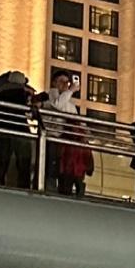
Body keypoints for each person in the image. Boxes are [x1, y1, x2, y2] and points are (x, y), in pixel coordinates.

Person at [38, 68, 93, 197]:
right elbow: (57, 104)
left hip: (65, 144)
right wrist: (71, 90)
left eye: (67, 82)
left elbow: (78, 122)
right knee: (51, 173)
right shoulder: (50, 97)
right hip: (52, 139)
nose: (65, 85)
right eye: (61, 81)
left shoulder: (69, 103)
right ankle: (49, 194)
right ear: (54, 83)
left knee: (63, 173)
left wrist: (86, 134)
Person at [0, 66, 37, 188]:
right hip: (20, 130)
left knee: (1, 162)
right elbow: (30, 109)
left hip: (2, 129)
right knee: (23, 163)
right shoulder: (22, 92)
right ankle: (24, 188)